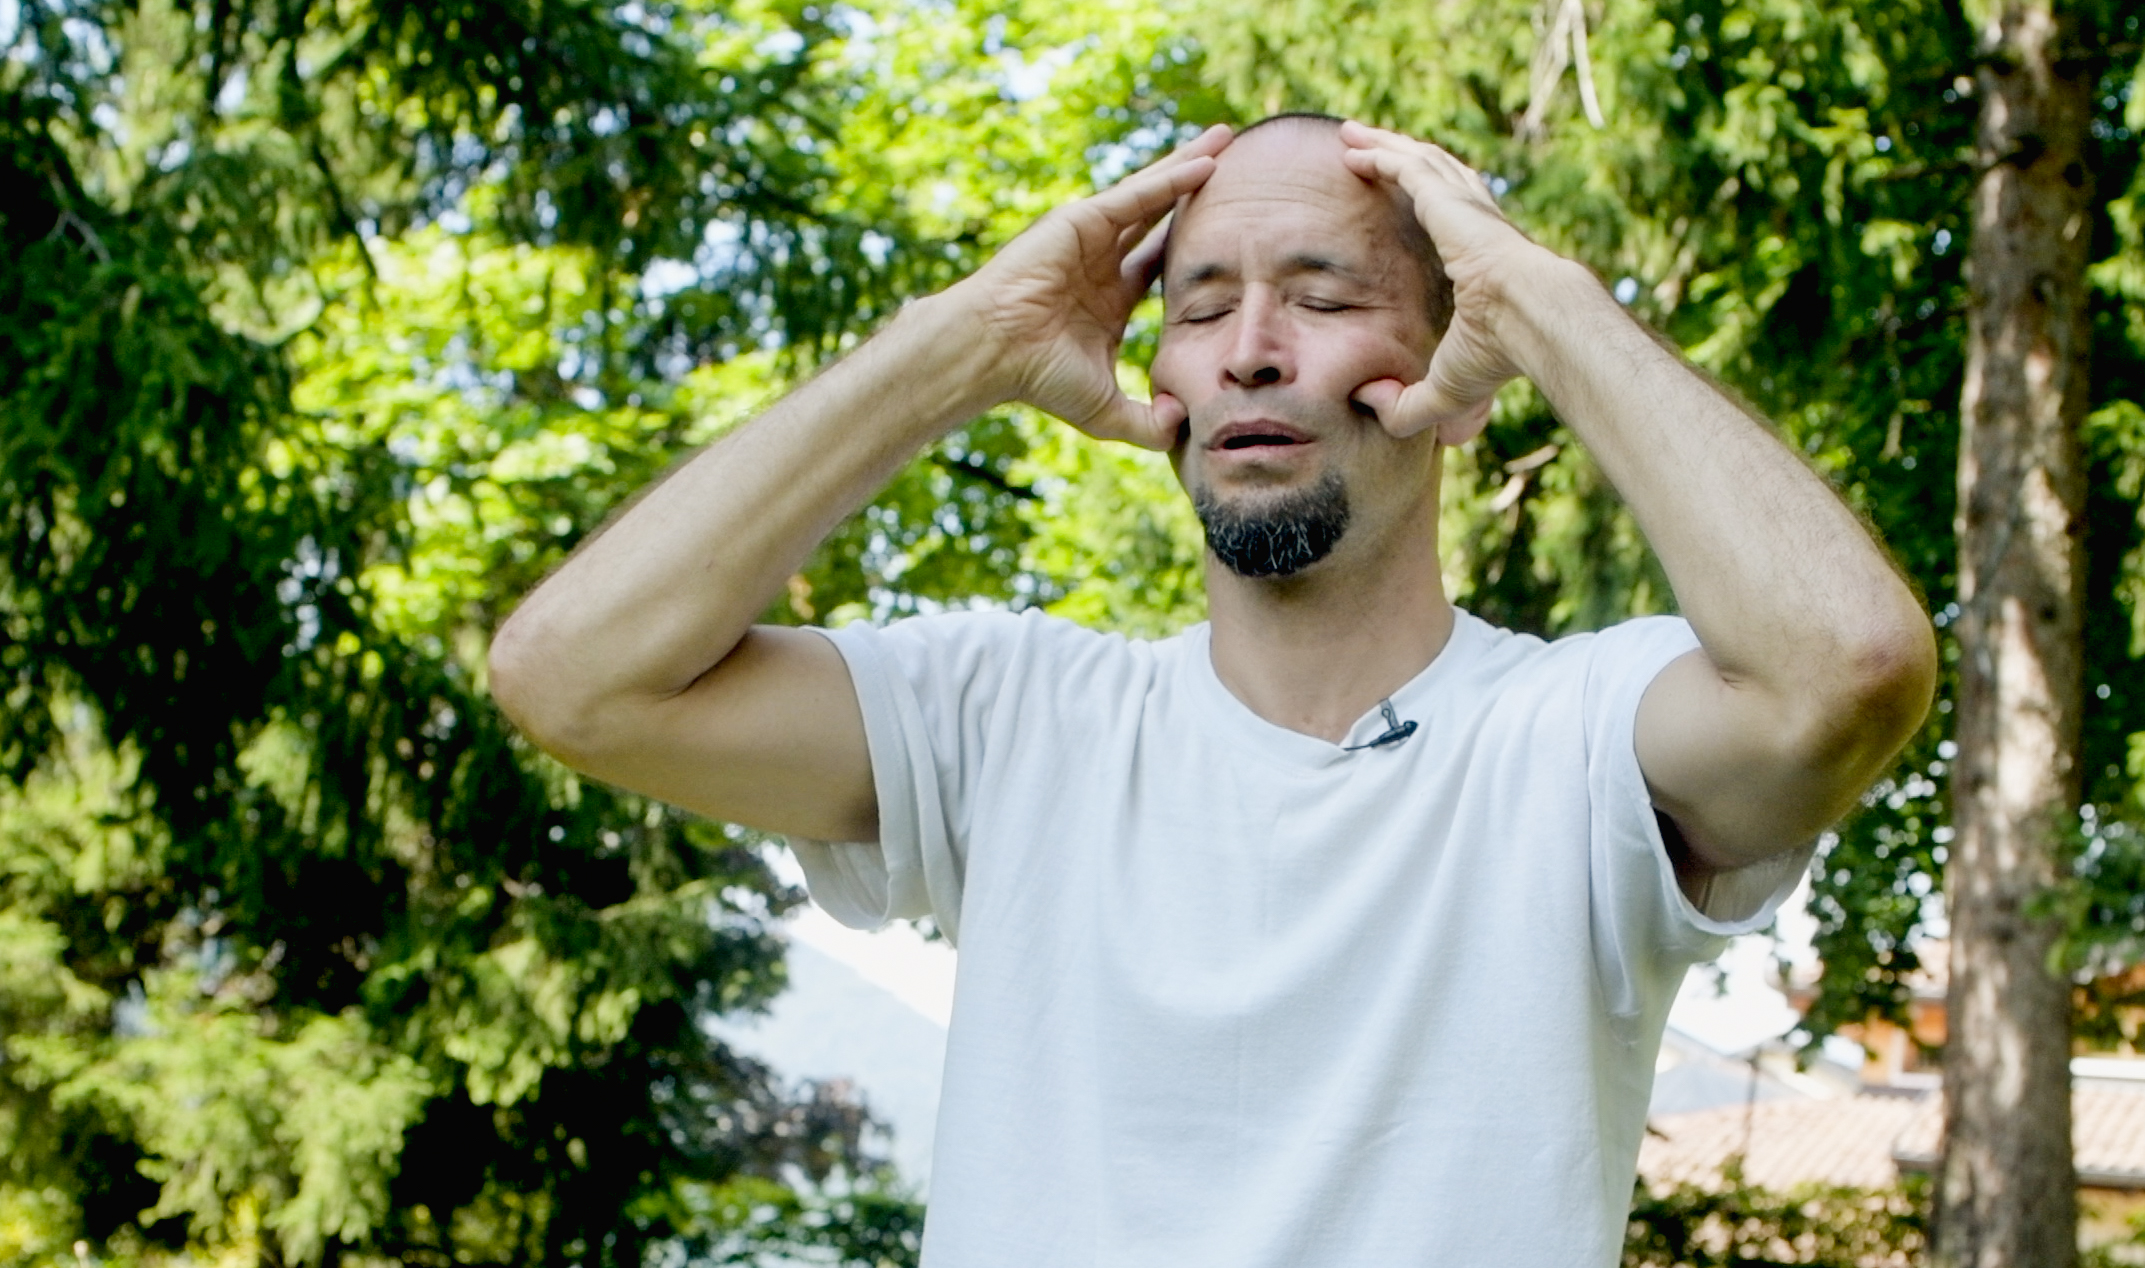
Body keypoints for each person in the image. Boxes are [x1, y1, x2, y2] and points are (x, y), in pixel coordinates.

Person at [489, 115, 1936, 1266]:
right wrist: (962, 344)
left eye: (1323, 296)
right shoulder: (1008, 718)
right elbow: (576, 678)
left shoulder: (1577, 736)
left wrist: (1548, 302)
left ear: (1458, 363)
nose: (1250, 348)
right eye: (1201, 308)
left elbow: (1847, 670)